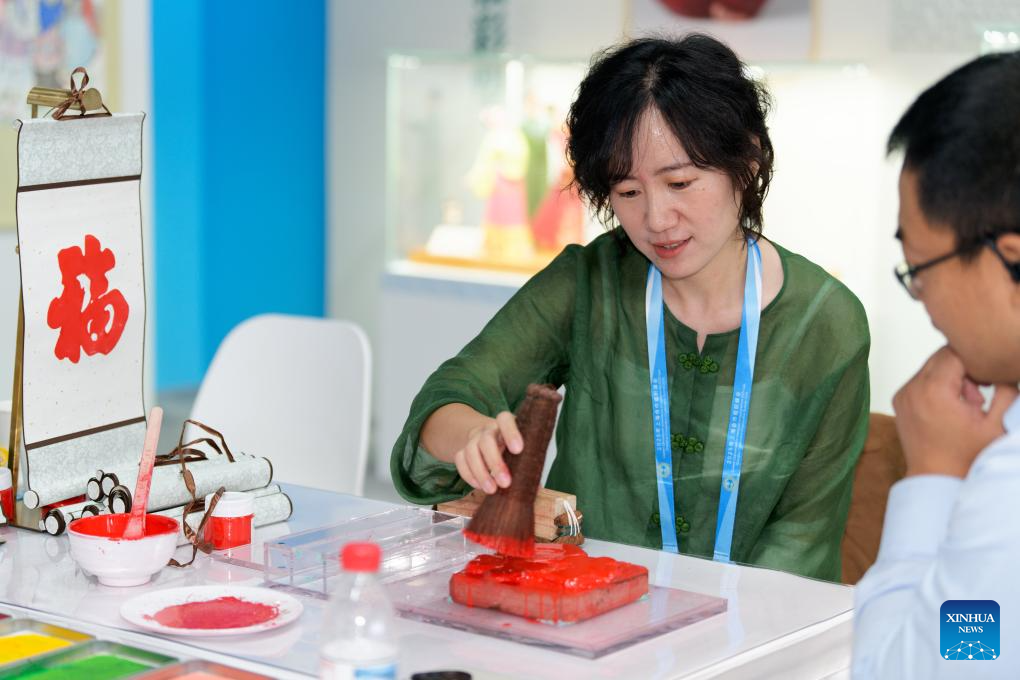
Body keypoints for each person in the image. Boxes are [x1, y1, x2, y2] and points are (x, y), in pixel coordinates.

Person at [390, 34, 870, 581]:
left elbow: (804, 539)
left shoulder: (826, 324)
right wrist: (473, 436)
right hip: (578, 607)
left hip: (751, 622)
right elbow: (450, 396)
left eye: (680, 182)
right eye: (627, 192)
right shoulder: (589, 281)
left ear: (747, 159)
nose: (657, 219)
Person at [853, 52, 1020, 678]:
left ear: (1010, 259)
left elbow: (940, 664)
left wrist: (935, 474)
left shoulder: (1010, 490)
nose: (923, 302)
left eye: (920, 269)